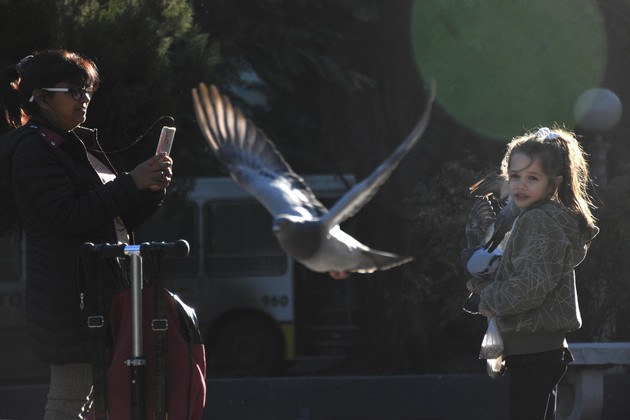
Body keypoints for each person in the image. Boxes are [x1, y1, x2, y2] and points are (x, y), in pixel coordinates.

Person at [0, 49, 173, 419]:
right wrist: (132, 182)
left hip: (93, 291)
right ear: (42, 98)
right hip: (70, 295)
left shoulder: (67, 143)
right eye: (74, 91)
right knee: (70, 400)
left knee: (89, 401)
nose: (85, 100)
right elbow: (67, 217)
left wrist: (149, 189)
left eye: (88, 91)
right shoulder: (34, 147)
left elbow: (112, 218)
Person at [466, 127, 599, 420]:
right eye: (515, 176)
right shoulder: (546, 218)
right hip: (543, 348)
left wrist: (484, 292)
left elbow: (527, 288)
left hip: (533, 350)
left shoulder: (538, 221)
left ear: (554, 183)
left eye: (532, 178)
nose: (520, 185)